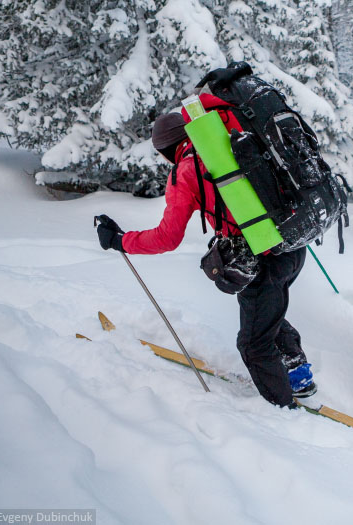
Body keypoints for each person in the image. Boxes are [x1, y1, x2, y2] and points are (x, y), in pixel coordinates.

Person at [94, 112, 315, 408]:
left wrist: (121, 241)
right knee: (265, 310)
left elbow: (167, 237)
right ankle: (298, 376)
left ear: (165, 150)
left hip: (261, 259)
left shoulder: (186, 171)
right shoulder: (232, 143)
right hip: (292, 243)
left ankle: (282, 409)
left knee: (252, 344)